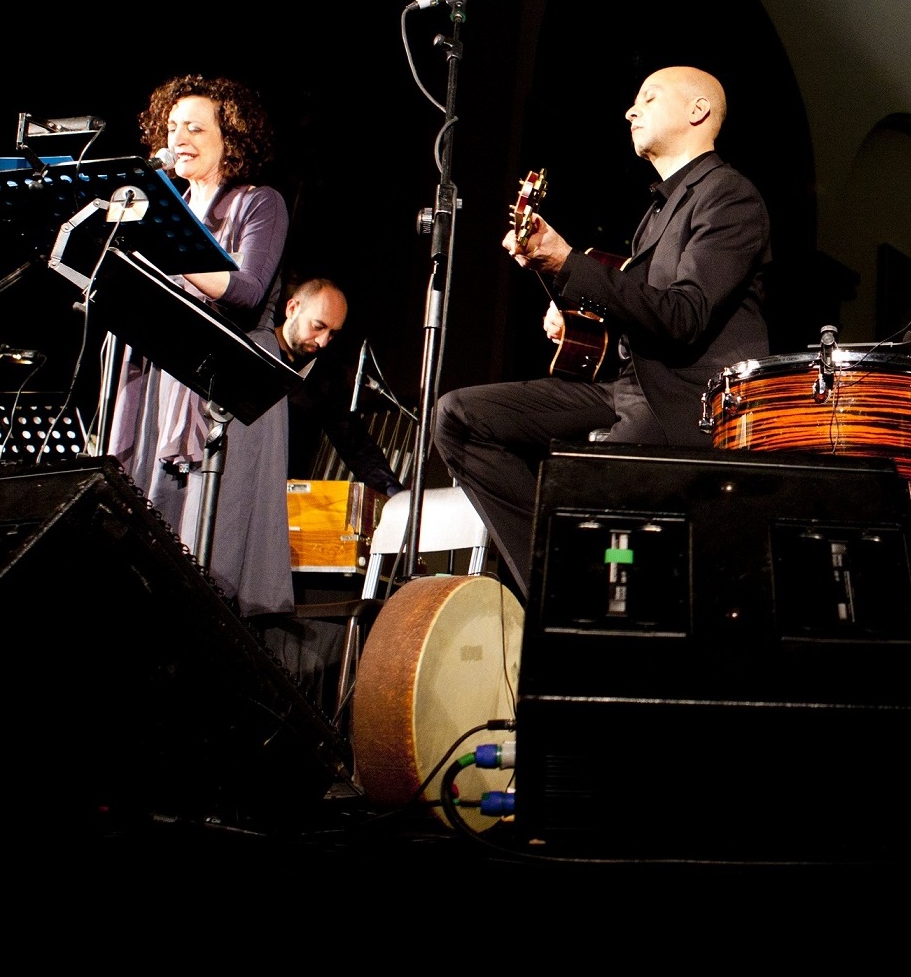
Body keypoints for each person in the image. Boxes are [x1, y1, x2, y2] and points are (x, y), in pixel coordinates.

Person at [434, 66, 771, 596]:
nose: (631, 110)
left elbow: (683, 317)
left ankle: (579, 591)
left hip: (687, 404)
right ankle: (552, 585)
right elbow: (641, 320)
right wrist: (572, 309)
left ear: (697, 110)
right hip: (628, 388)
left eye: (649, 98)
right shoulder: (654, 215)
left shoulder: (730, 196)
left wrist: (567, 262)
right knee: (461, 417)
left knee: (589, 480)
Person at [107, 75, 294, 615]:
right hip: (163, 381)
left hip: (229, 387)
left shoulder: (261, 204)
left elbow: (244, 290)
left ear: (229, 138)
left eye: (195, 127)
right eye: (171, 127)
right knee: (152, 535)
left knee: (214, 546)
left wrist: (167, 239)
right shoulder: (159, 204)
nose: (179, 137)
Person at [275, 278, 407, 500]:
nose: (323, 341)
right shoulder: (256, 342)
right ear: (292, 308)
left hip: (283, 498)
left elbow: (356, 445)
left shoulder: (327, 375)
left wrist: (395, 493)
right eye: (318, 326)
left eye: (333, 333)